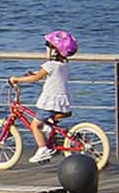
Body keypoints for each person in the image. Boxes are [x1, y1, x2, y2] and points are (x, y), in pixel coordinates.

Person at [7, 30, 78, 164]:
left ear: (55, 51)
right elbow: (50, 75)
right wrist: (37, 73)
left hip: (51, 103)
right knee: (45, 122)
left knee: (35, 125)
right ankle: (50, 134)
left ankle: (43, 149)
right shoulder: (64, 66)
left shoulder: (50, 65)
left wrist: (17, 79)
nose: (46, 49)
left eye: (48, 46)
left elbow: (36, 78)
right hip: (63, 102)